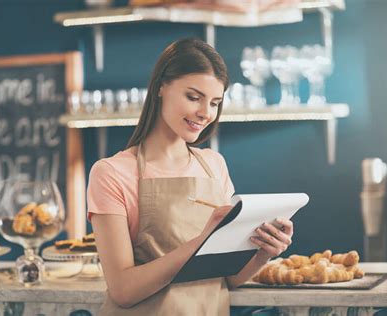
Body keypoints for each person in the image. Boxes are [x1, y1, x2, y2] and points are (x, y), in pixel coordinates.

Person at [87, 38, 294, 315]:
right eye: (194, 97)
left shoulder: (214, 165)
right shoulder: (111, 173)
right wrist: (201, 244)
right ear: (161, 86)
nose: (205, 113)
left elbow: (227, 278)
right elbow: (123, 290)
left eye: (215, 102)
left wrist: (263, 252)